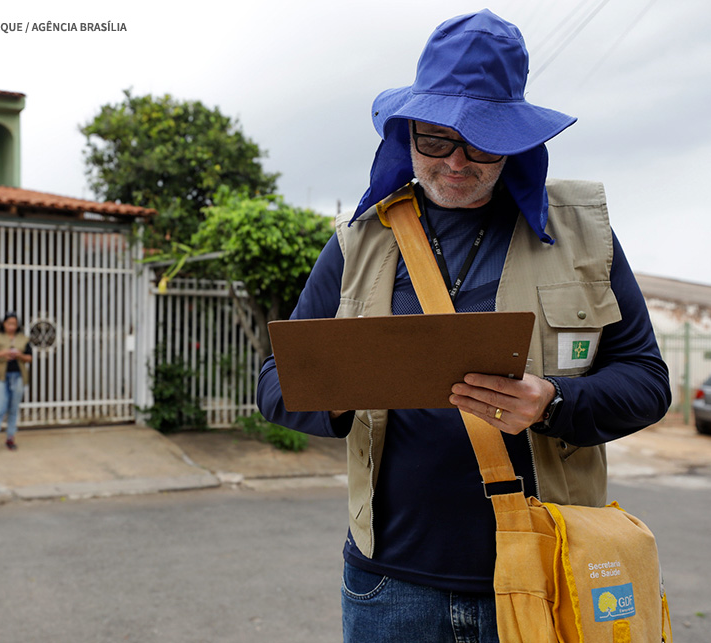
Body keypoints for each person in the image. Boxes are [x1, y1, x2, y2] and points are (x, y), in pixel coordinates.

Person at [256, 9, 670, 642]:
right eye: (436, 140)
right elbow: (274, 385)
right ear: (407, 134)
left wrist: (552, 401)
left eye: (482, 143)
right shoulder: (358, 242)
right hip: (390, 585)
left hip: (549, 568)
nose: (456, 162)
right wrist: (345, 388)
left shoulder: (584, 235)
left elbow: (646, 380)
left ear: (516, 140)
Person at [0, 312, 32, 456]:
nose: (12, 327)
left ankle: (10, 438)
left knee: (13, 409)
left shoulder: (23, 339)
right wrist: (2, 353)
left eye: (14, 324)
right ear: (4, 324)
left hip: (17, 376)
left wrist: (19, 355)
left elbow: (29, 358)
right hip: (1, 377)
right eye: (9, 324)